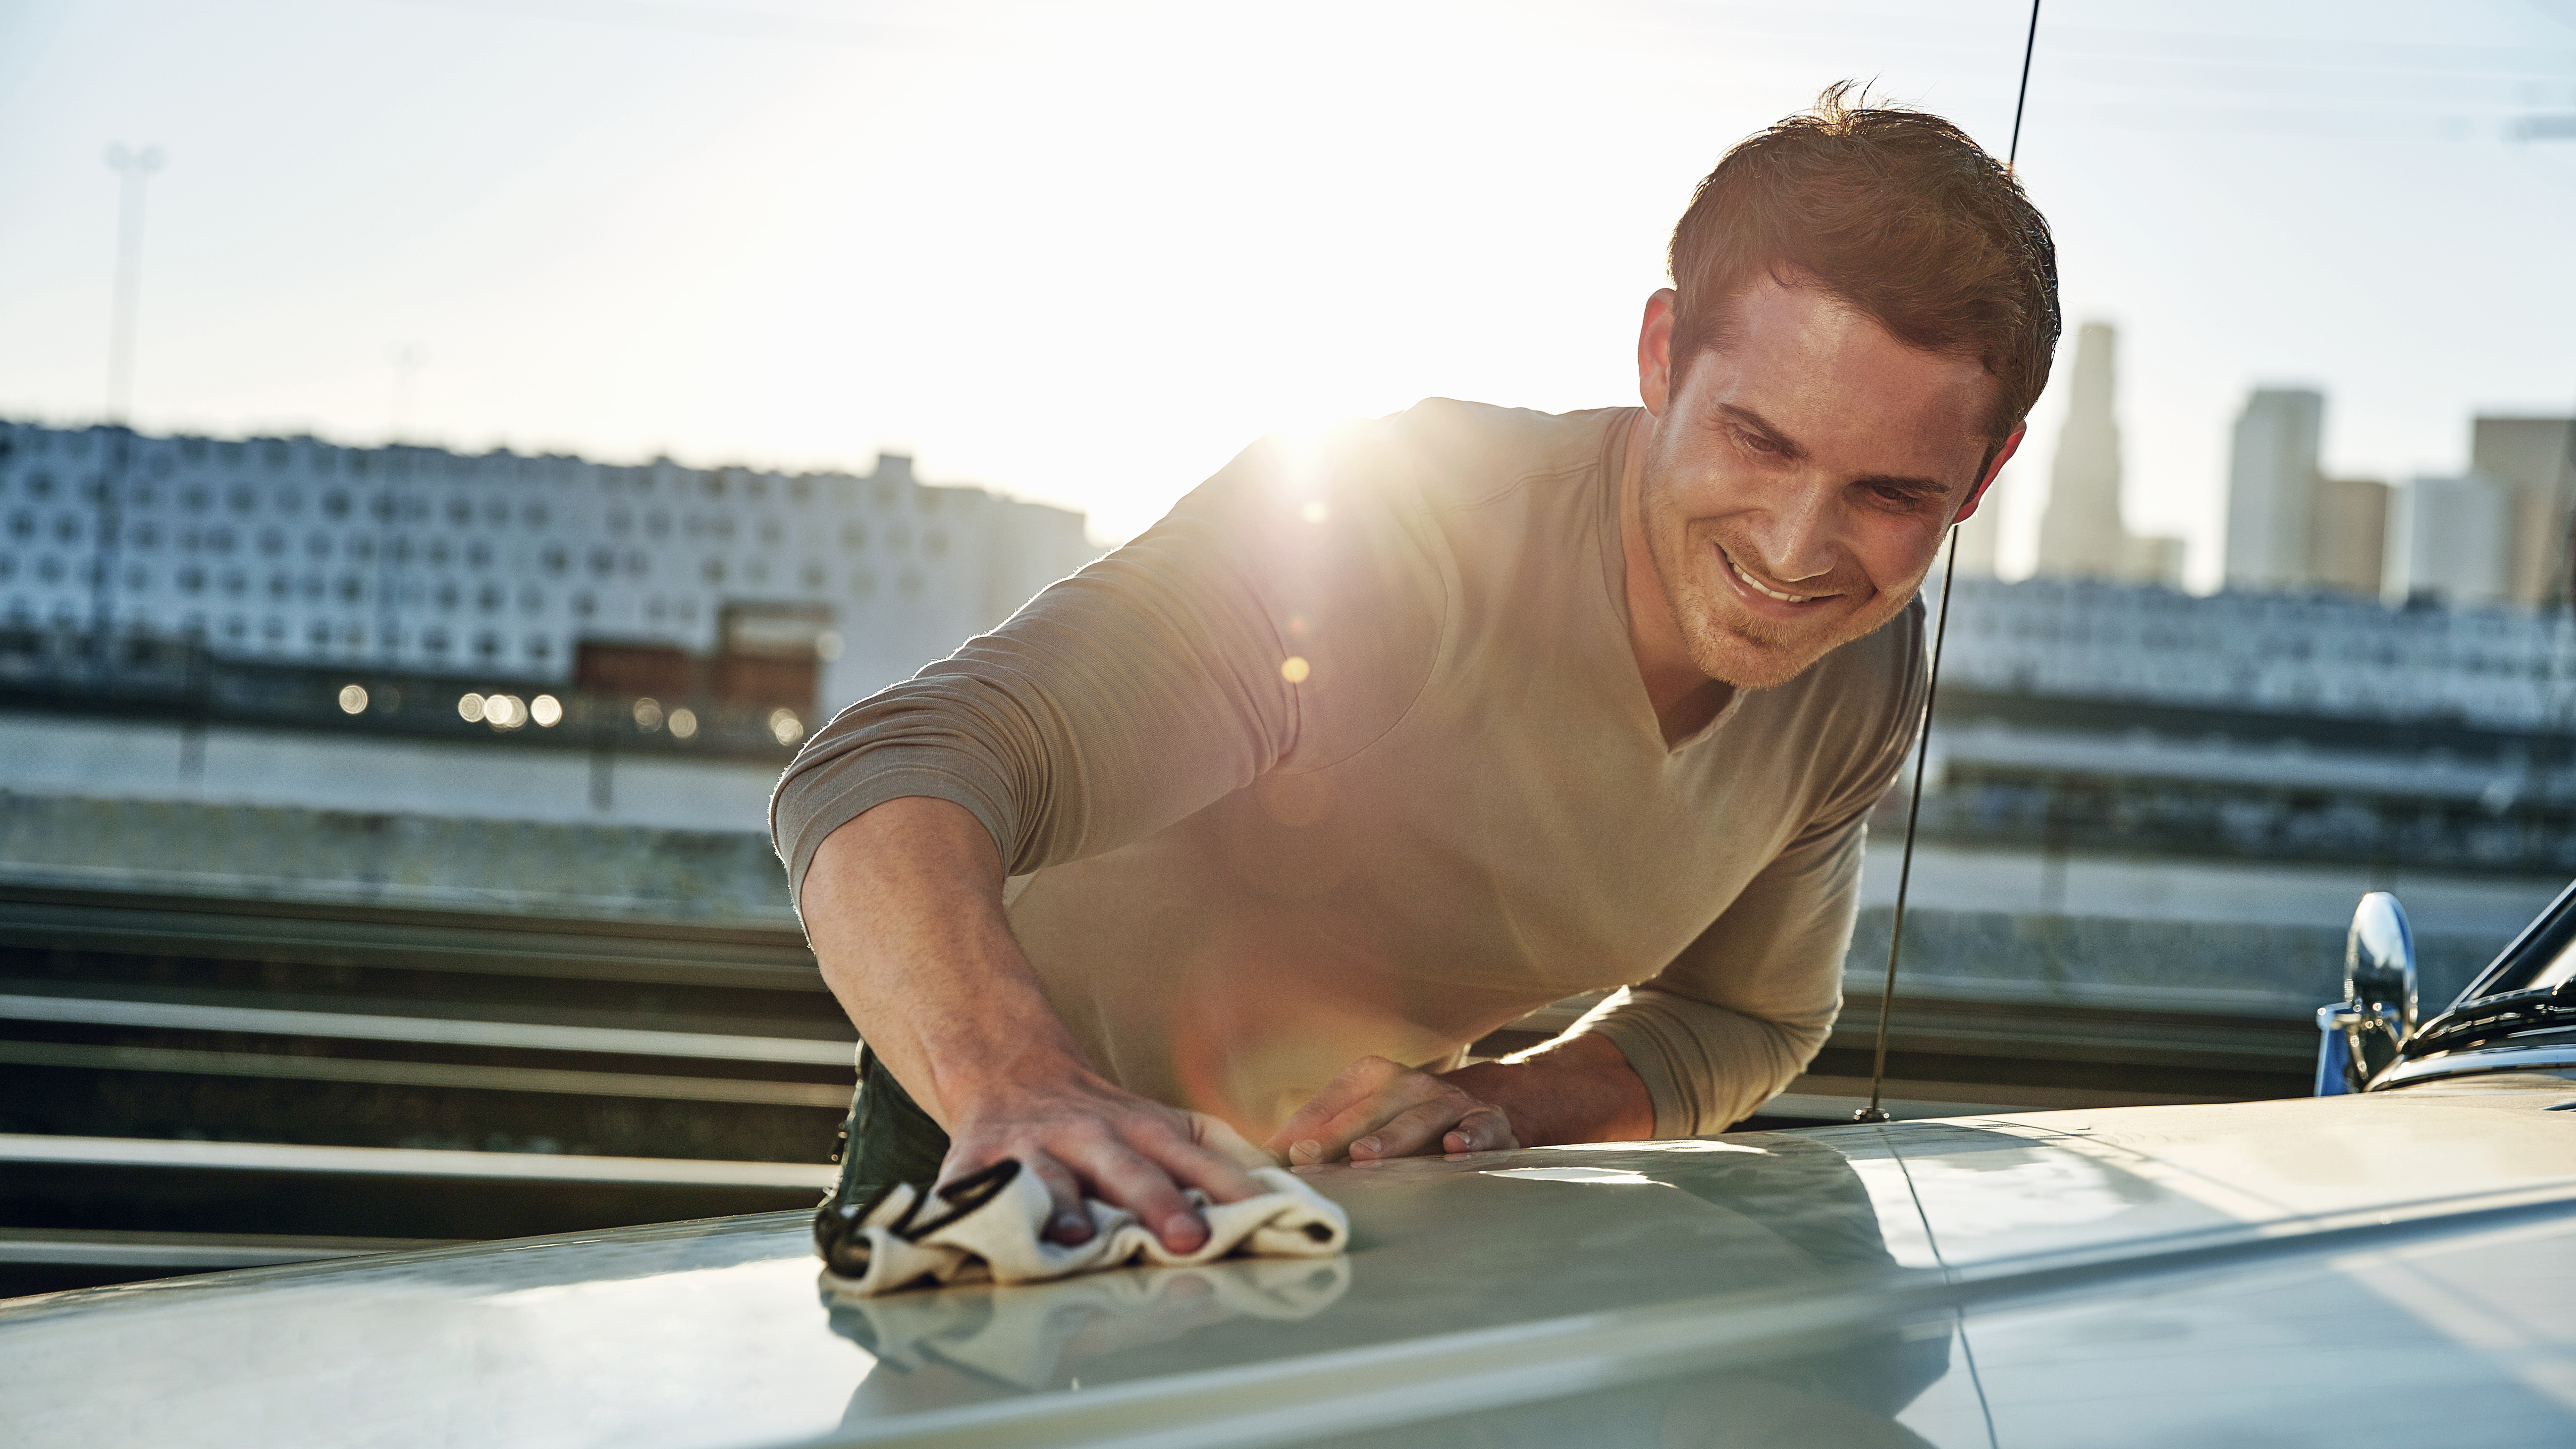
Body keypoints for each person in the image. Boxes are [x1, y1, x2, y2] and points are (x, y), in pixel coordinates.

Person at [771, 83, 2057, 1255]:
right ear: (1663, 357)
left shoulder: (1865, 668)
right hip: (1005, 1150)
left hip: (1343, 1216)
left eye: (1890, 492)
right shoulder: (1398, 535)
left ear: (1984, 476)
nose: (1796, 552)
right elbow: (890, 768)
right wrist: (1022, 1086)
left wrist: (1496, 1103)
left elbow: (1748, 1024)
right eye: (1759, 441)